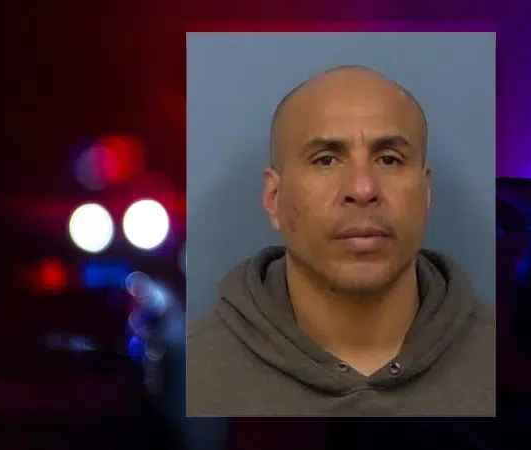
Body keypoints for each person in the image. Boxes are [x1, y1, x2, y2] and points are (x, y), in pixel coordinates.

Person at [187, 65, 495, 416]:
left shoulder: (504, 363)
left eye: (389, 159)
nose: (362, 189)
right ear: (274, 198)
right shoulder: (192, 375)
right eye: (326, 160)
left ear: (426, 192)